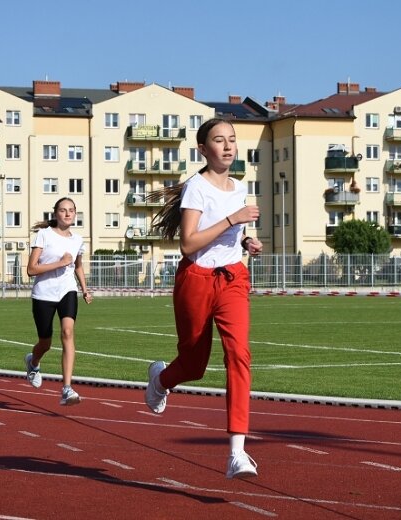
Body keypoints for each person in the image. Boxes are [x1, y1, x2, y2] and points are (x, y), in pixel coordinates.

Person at [145, 118, 264, 479]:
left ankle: (237, 453)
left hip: (232, 279)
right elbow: (189, 243)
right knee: (194, 365)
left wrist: (246, 241)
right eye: (218, 140)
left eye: (232, 140)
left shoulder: (240, 188)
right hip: (196, 280)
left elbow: (234, 235)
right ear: (203, 149)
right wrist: (233, 219)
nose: (227, 146)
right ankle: (160, 380)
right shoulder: (196, 188)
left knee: (239, 355)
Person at [24, 197, 92, 405]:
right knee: (45, 342)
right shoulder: (43, 235)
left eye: (71, 210)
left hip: (67, 291)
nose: (68, 214)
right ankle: (33, 361)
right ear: (56, 214)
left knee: (68, 333)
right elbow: (31, 269)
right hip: (44, 294)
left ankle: (67, 389)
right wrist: (59, 263)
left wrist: (84, 289)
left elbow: (77, 266)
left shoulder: (77, 239)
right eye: (63, 210)